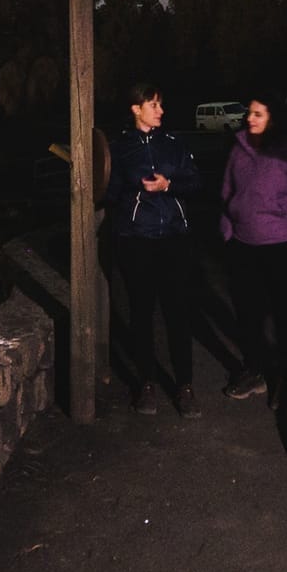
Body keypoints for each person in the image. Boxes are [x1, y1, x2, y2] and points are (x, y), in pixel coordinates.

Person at [104, 80, 204, 418]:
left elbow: (196, 183)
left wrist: (169, 185)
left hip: (174, 239)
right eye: (154, 105)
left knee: (177, 312)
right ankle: (146, 384)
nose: (161, 111)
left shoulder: (174, 145)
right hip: (136, 241)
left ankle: (185, 387)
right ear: (136, 109)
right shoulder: (120, 148)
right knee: (141, 313)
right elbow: (110, 192)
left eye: (161, 105)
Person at [219, 90, 287, 413]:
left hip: (281, 247)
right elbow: (226, 192)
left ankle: (285, 379)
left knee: (284, 315)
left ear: (273, 118)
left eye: (258, 114)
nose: (250, 118)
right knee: (248, 314)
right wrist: (228, 232)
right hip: (242, 245)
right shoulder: (239, 149)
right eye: (249, 112)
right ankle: (256, 371)